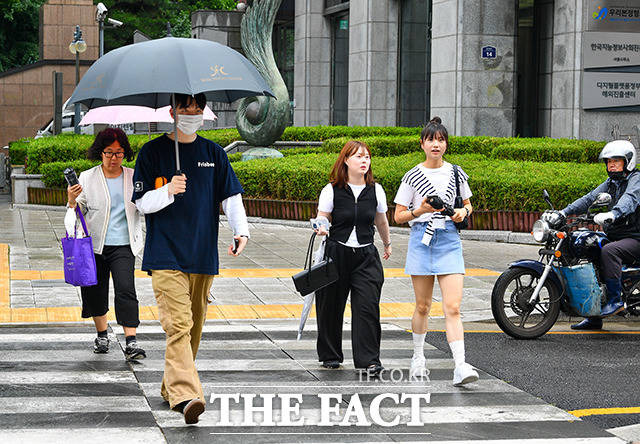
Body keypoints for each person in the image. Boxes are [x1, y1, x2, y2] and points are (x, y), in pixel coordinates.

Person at [132, 93, 250, 424]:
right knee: (178, 325)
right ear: (172, 111)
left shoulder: (213, 153)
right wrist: (168, 190)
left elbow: (231, 197)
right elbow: (141, 203)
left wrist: (241, 231)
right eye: (186, 107)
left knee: (193, 328)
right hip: (165, 254)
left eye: (198, 107)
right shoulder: (153, 152)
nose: (192, 112)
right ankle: (187, 395)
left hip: (202, 254)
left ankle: (173, 387)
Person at [393, 117, 479, 386]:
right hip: (421, 240)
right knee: (423, 305)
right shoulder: (412, 176)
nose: (436, 144)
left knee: (452, 307)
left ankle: (460, 365)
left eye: (441, 140)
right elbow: (398, 216)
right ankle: (418, 356)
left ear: (446, 144)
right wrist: (421, 210)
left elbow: (468, 205)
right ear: (422, 144)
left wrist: (462, 212)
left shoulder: (456, 172)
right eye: (431, 139)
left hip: (449, 239)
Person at [66, 128, 146, 361]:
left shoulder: (133, 176)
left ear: (125, 153)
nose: (113, 158)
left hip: (124, 245)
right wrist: (72, 200)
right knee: (94, 292)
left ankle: (131, 341)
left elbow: (144, 204)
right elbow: (77, 211)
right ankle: (102, 334)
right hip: (94, 247)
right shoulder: (87, 177)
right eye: (109, 152)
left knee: (126, 289)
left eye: (119, 153)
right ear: (99, 153)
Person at [313, 140, 392, 376]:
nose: (364, 161)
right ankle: (330, 355)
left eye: (367, 157)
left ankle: (369, 360)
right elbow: (322, 217)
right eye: (358, 157)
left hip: (366, 255)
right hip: (336, 252)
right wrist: (321, 228)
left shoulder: (376, 190)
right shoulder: (332, 190)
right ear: (346, 160)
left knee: (367, 306)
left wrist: (387, 244)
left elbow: (381, 220)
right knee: (330, 306)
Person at [544, 140, 640, 330]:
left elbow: (631, 199)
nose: (611, 165)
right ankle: (594, 315)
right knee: (589, 249)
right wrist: (563, 213)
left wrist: (613, 214)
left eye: (616, 161)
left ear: (628, 161)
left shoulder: (636, 180)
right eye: (608, 161)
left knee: (610, 251)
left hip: (635, 238)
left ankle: (615, 300)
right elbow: (589, 198)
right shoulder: (611, 183)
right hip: (617, 236)